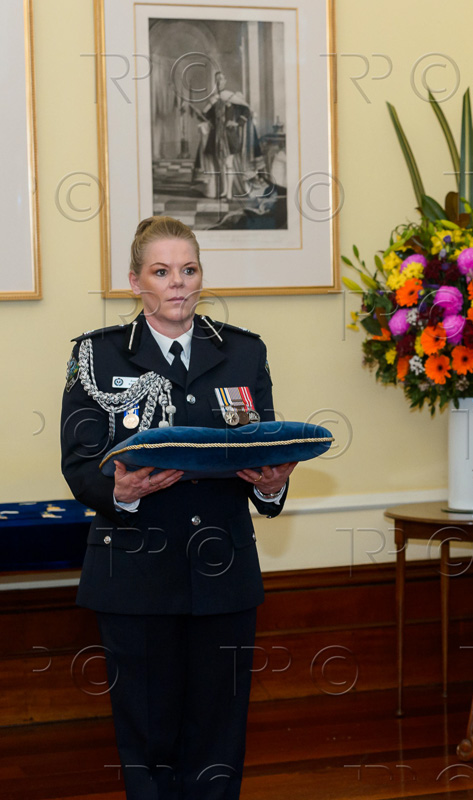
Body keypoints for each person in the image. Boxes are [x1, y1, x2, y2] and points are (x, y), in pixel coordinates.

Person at [59, 215, 296, 799]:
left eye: (188, 270)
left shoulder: (243, 352)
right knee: (148, 737)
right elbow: (79, 463)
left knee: (220, 735)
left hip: (223, 572)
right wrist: (119, 492)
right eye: (161, 272)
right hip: (135, 574)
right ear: (135, 281)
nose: (178, 284)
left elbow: (262, 453)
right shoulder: (98, 355)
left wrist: (271, 485)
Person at [191, 70, 260, 201]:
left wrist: (237, 123)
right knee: (221, 165)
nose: (219, 82)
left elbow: (246, 109)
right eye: (217, 79)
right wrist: (198, 112)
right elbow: (206, 117)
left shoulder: (230, 96)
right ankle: (224, 190)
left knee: (228, 164)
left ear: (225, 81)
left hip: (230, 136)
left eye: (221, 79)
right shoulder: (214, 99)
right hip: (217, 136)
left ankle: (229, 193)